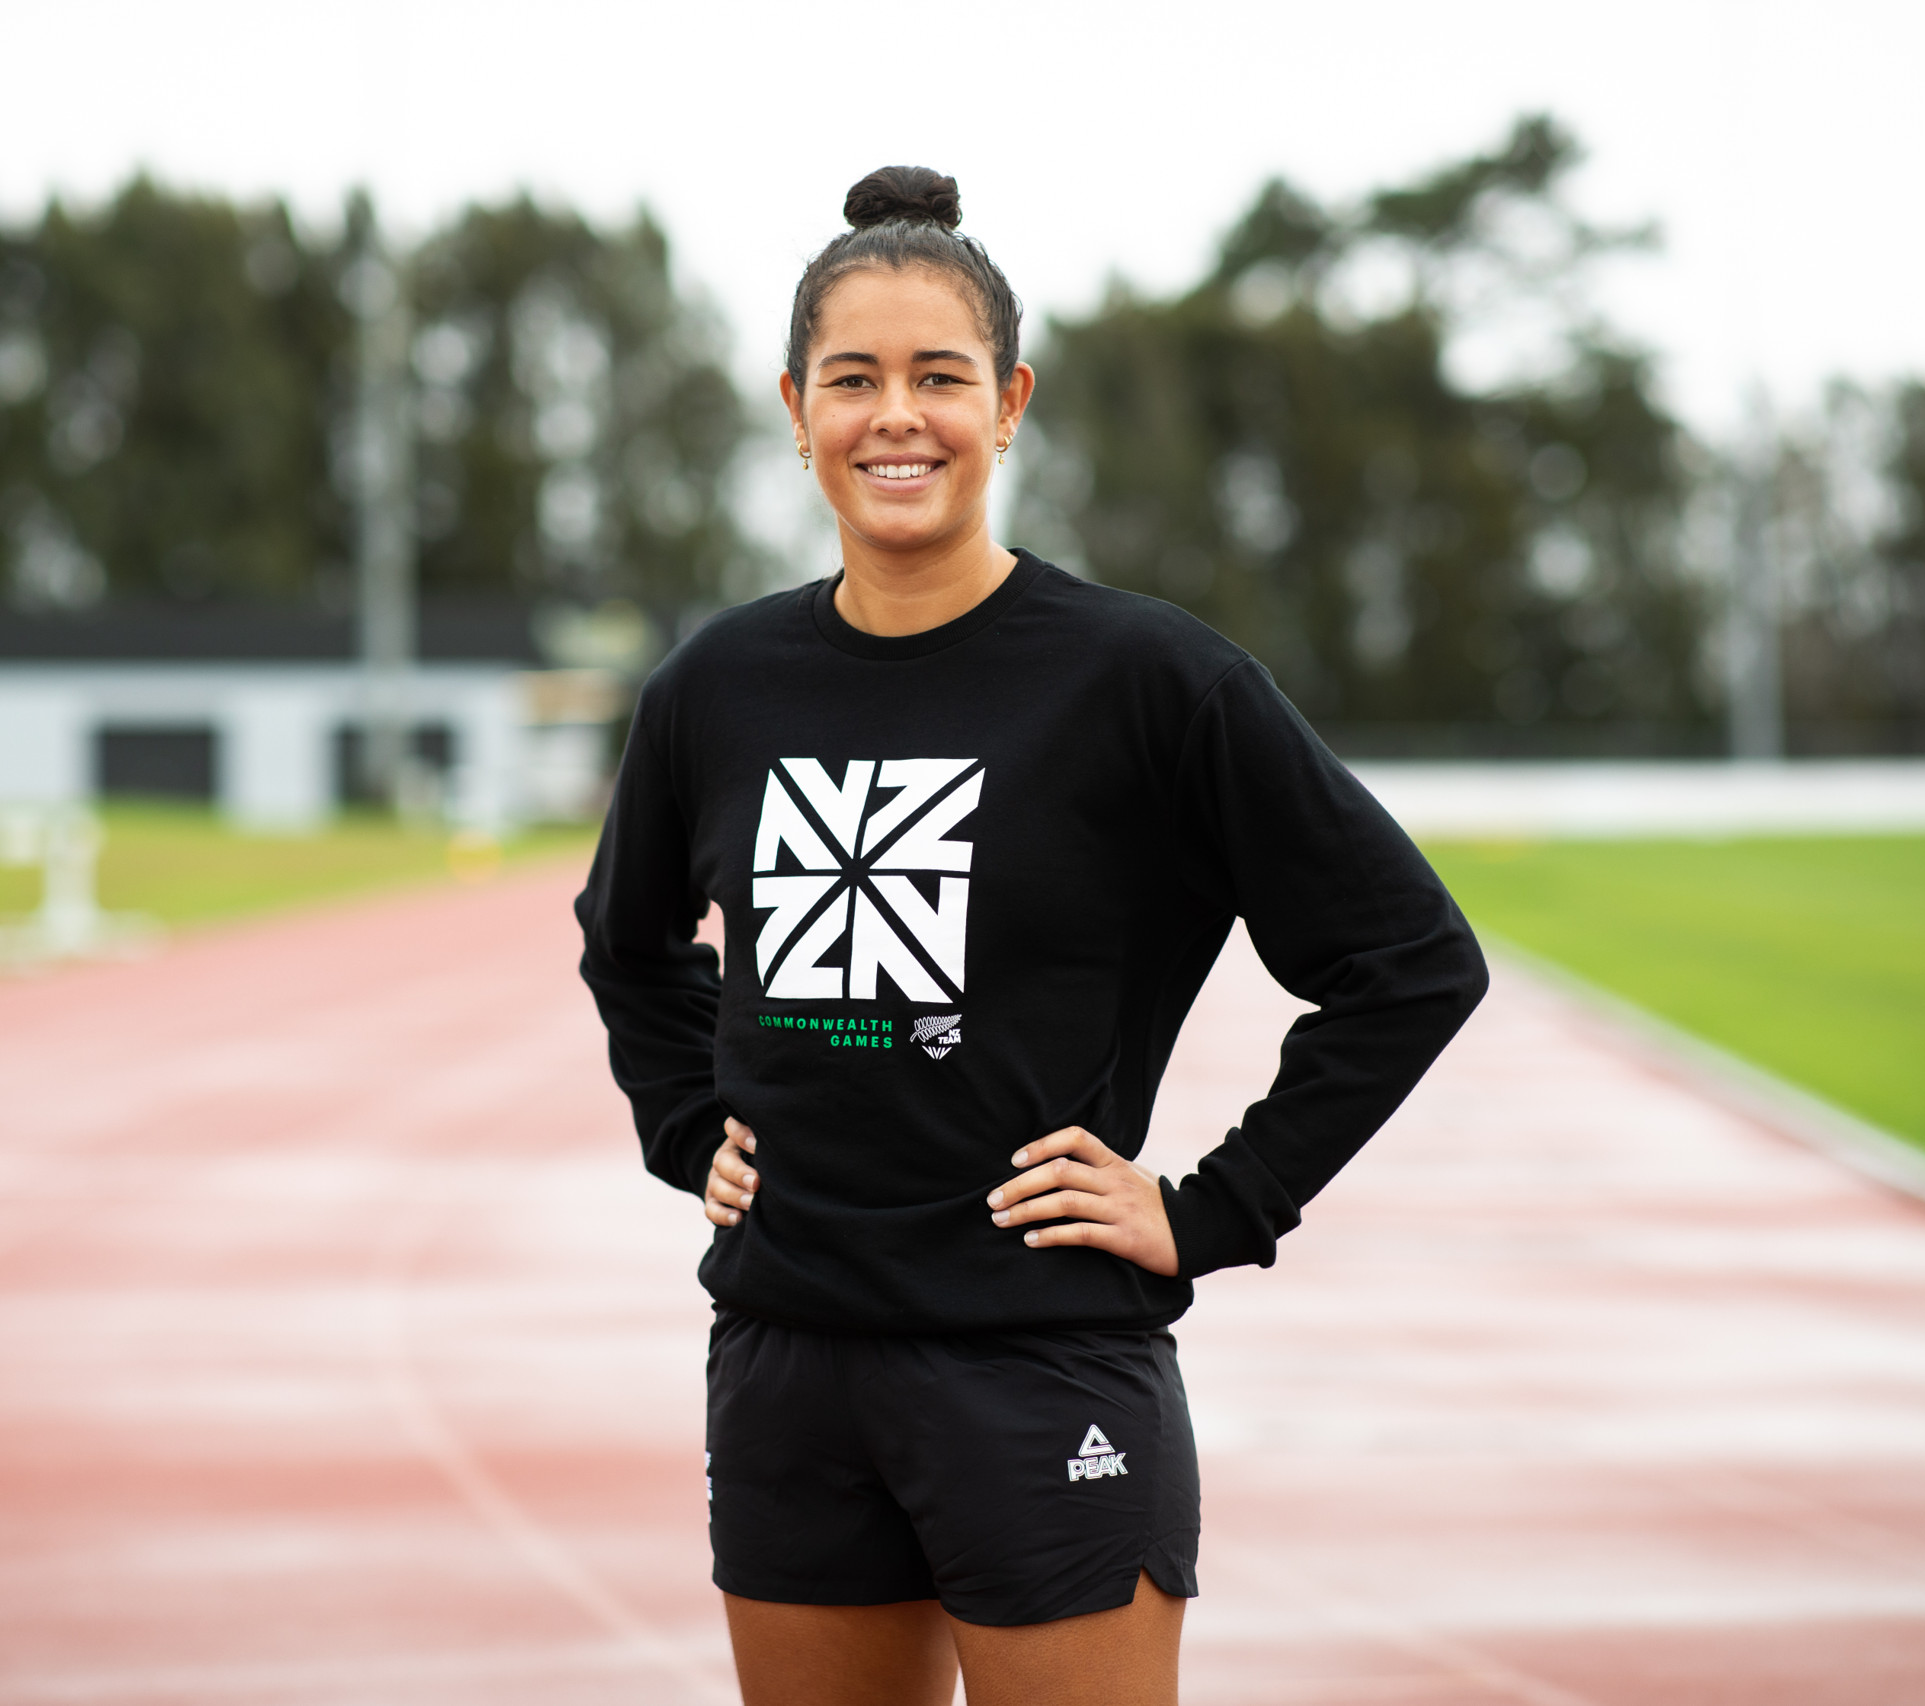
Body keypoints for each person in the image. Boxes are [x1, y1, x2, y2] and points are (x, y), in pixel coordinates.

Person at [576, 165, 1487, 1706]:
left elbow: (1410, 959)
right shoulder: (715, 688)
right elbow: (628, 940)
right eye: (853, 379)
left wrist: (1213, 1207)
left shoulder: (1150, 679)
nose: (897, 417)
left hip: (1039, 1360)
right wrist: (686, 1124)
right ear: (795, 409)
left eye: (941, 377)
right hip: (787, 1357)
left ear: (1010, 404)